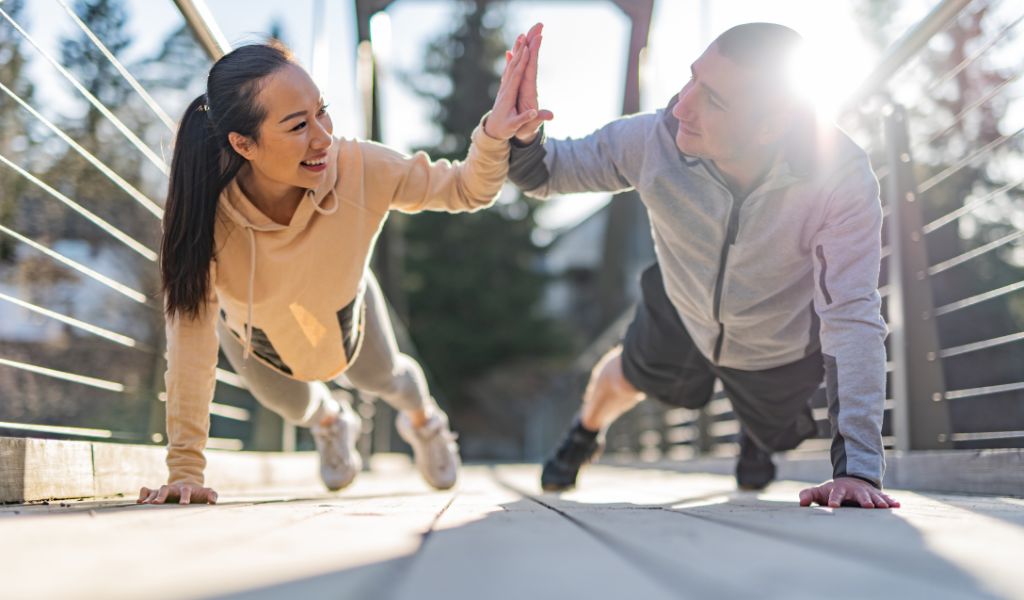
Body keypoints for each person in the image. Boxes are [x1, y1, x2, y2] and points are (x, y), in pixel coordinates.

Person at [507, 23, 900, 509]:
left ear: (771, 126)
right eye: (692, 79)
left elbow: (852, 315)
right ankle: (584, 435)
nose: (681, 106)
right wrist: (523, 135)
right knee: (622, 378)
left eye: (713, 99)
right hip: (682, 306)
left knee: (778, 438)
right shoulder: (653, 139)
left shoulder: (839, 177)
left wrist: (859, 471)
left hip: (776, 342)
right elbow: (542, 173)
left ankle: (755, 437)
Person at [138, 37, 539, 505]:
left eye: (321, 111)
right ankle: (334, 423)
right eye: (297, 126)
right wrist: (185, 468)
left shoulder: (359, 165)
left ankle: (427, 422)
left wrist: (494, 133)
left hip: (344, 303)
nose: (323, 136)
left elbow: (466, 189)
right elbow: (189, 342)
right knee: (294, 405)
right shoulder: (204, 216)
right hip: (258, 334)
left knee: (387, 378)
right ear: (243, 143)